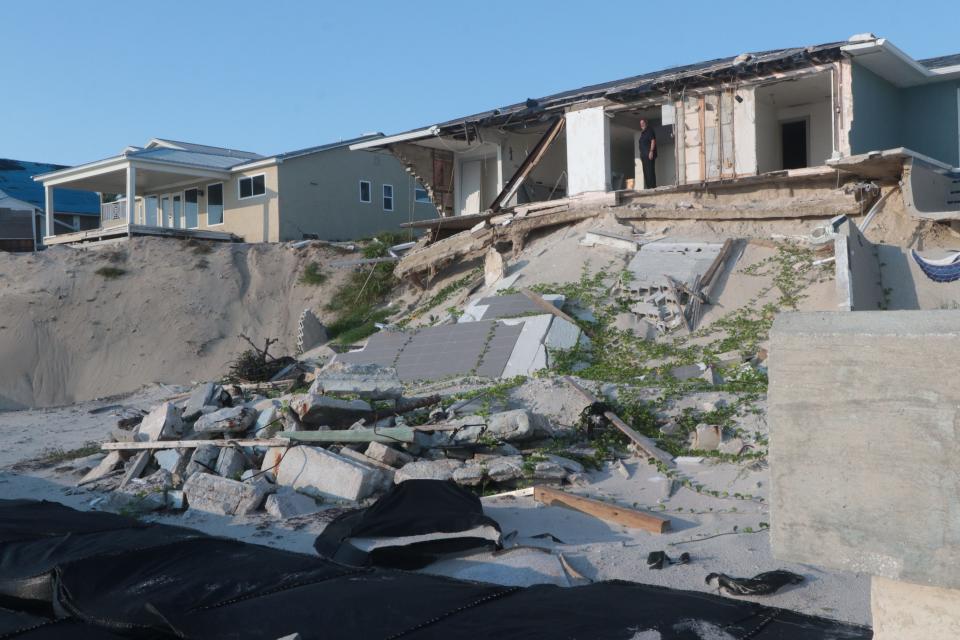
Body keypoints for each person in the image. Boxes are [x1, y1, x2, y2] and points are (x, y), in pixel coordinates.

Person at [638, 119, 657, 189]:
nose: (641, 124)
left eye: (643, 123)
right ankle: (649, 187)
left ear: (646, 123)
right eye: (640, 123)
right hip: (644, 156)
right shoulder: (643, 133)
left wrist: (651, 151)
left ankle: (653, 187)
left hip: (649, 155)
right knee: (646, 172)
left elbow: (653, 140)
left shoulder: (649, 130)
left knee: (650, 171)